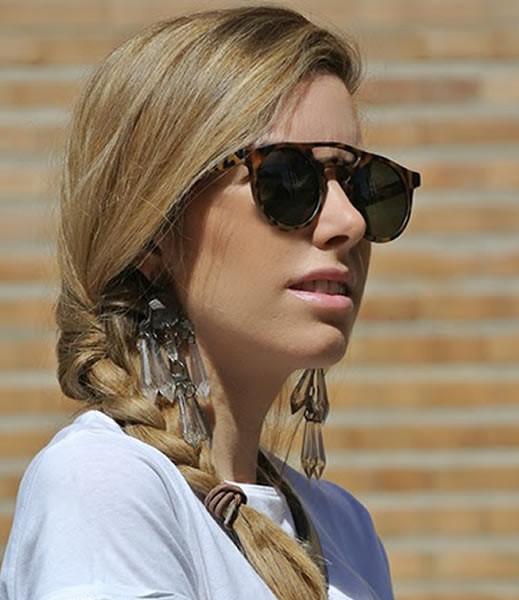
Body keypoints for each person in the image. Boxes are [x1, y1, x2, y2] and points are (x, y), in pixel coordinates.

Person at [0, 5, 420, 600]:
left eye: (362, 183)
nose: (348, 222)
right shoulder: (104, 485)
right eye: (288, 179)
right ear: (154, 230)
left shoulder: (346, 531)